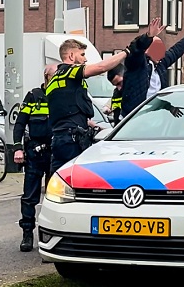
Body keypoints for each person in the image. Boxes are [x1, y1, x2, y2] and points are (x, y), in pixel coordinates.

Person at [47, 24, 161, 175]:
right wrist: (126, 52)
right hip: (71, 140)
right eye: (82, 55)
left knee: (58, 179)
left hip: (60, 139)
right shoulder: (69, 71)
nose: (85, 59)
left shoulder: (55, 80)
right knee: (77, 179)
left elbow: (67, 112)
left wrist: (95, 126)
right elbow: (101, 67)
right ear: (71, 56)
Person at [13, 64, 57, 252]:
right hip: (35, 152)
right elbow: (20, 124)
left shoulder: (61, 96)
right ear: (47, 76)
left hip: (56, 152)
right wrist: (17, 149)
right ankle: (27, 233)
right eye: (55, 75)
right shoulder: (33, 95)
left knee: (55, 197)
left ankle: (51, 236)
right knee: (30, 196)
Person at [122, 19, 184, 112]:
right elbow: (137, 49)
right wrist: (148, 36)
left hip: (152, 115)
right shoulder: (136, 63)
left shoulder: (160, 64)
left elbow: (176, 50)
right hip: (134, 117)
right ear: (146, 50)